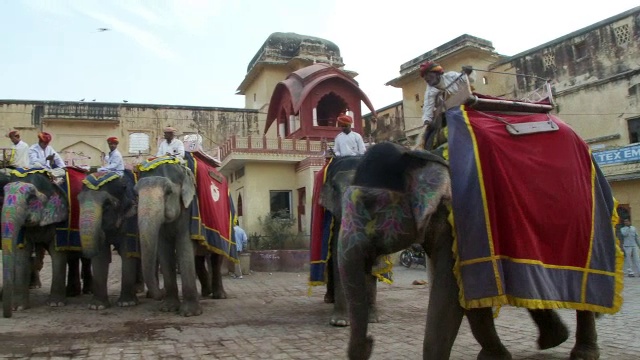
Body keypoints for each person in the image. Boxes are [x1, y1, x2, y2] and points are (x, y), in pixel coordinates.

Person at [421, 61, 474, 127]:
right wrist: (426, 121)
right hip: (446, 115)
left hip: (464, 105)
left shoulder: (451, 76)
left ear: (437, 73)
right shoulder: (429, 93)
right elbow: (428, 108)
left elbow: (467, 80)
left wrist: (468, 73)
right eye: (424, 76)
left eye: (427, 74)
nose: (425, 78)